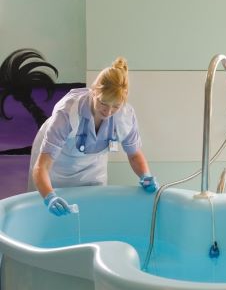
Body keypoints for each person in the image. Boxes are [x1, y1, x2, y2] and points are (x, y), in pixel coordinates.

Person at [28, 57, 158, 216]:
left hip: (93, 169)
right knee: (49, 215)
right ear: (94, 91)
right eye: (103, 103)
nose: (108, 112)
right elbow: (42, 167)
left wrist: (145, 175)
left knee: (94, 213)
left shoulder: (124, 115)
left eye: (115, 106)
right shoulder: (67, 113)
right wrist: (49, 197)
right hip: (56, 168)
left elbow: (134, 154)